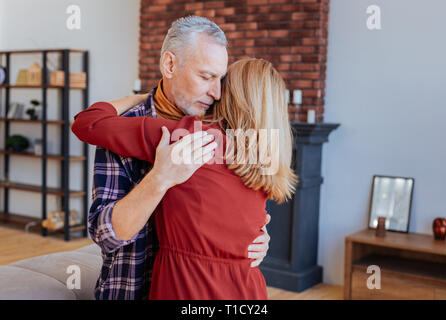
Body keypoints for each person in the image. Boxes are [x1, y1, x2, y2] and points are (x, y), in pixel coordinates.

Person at [72, 58, 297, 299]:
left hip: (188, 287)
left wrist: (137, 98)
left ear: (229, 93)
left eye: (221, 81)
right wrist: (261, 238)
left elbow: (87, 121)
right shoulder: (266, 155)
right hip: (248, 289)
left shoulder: (190, 136)